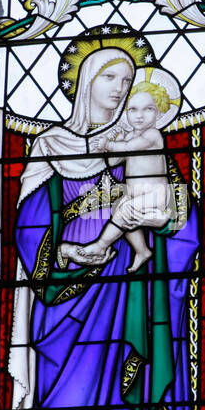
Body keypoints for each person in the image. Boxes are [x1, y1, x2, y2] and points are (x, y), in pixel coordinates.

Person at [5, 35, 197, 410]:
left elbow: (177, 229)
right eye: (110, 79)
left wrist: (164, 213)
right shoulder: (52, 149)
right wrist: (74, 245)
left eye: (126, 81)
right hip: (65, 316)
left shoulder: (135, 147)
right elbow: (31, 233)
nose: (119, 91)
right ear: (86, 84)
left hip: (130, 311)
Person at [57, 72, 181, 272]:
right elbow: (114, 161)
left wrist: (110, 143)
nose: (139, 115)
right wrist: (106, 150)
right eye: (133, 109)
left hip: (156, 194)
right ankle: (142, 250)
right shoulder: (130, 136)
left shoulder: (153, 135)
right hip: (135, 193)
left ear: (159, 113)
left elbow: (130, 147)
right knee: (120, 211)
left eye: (148, 109)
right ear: (125, 113)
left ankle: (101, 245)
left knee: (125, 212)